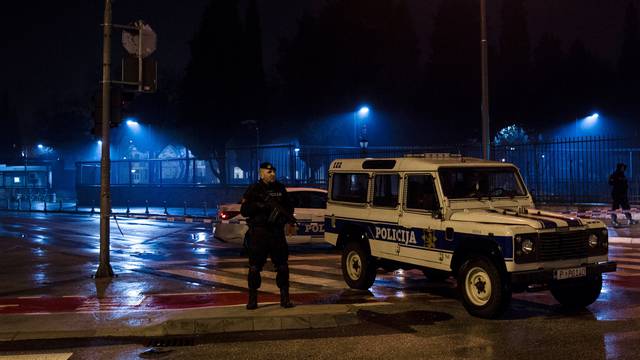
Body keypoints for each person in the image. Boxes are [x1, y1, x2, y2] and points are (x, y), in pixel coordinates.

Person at [240, 162, 296, 310]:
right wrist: (259, 206)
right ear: (261, 173)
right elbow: (244, 210)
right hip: (259, 233)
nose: (272, 174)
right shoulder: (253, 189)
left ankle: (285, 298)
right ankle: (252, 299)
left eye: (273, 172)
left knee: (283, 266)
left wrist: (284, 219)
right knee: (254, 268)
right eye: (268, 171)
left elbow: (289, 208)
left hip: (276, 233)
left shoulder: (280, 188)